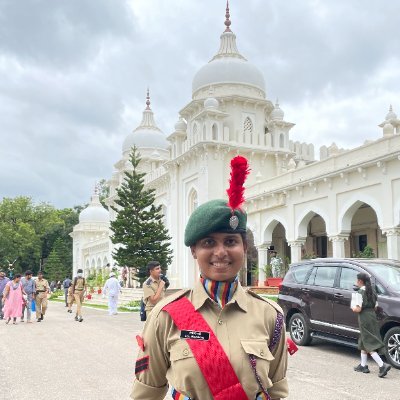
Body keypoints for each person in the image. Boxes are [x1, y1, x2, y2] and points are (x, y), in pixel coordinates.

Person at [132, 156, 288, 400]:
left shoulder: (270, 315)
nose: (220, 252)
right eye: (208, 243)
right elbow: (146, 394)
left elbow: (276, 391)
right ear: (194, 250)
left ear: (244, 247)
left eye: (230, 241)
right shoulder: (165, 316)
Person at [352, 272, 391, 378]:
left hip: (364, 317)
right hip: (372, 316)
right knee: (364, 339)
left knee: (368, 342)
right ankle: (363, 365)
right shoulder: (372, 291)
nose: (356, 282)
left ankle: (382, 365)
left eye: (357, 280)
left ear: (360, 281)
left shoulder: (360, 292)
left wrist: (353, 308)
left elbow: (358, 308)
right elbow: (375, 307)